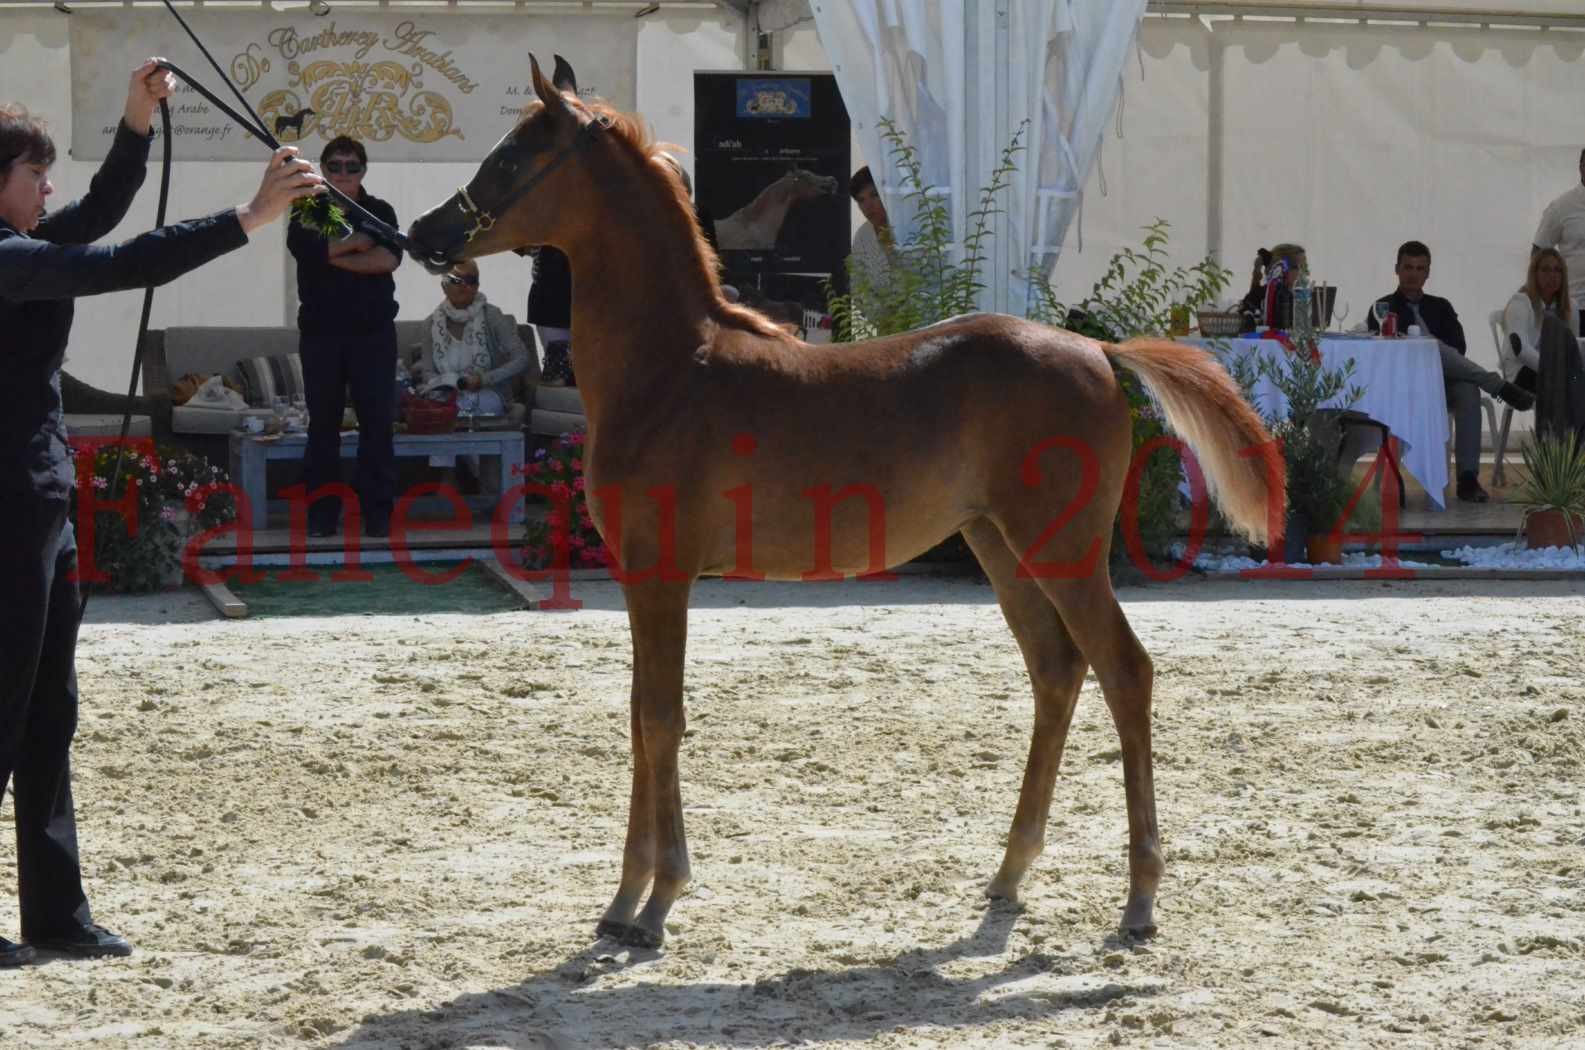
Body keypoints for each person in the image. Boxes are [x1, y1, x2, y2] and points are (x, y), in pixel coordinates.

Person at [0, 61, 321, 966]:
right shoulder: (4, 256)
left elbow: (102, 213)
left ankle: (56, 915)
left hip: (40, 502)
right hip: (5, 507)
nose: (47, 187)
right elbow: (114, 262)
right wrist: (247, 220)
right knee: (4, 705)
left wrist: (138, 120)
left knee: (48, 711)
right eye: (33, 174)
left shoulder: (24, 244)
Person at [287, 135, 402, 538]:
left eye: (351, 166)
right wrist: (358, 243)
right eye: (334, 166)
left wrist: (334, 253)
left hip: (373, 335)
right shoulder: (307, 209)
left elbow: (387, 259)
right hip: (322, 335)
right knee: (323, 427)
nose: (343, 173)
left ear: (363, 170)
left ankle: (378, 514)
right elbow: (310, 252)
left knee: (377, 424)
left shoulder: (381, 210)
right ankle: (321, 515)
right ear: (323, 169)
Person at [1366, 240, 1535, 503]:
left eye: (1420, 268)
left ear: (1427, 273)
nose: (1413, 273)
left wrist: (1433, 349)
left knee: (1467, 389)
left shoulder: (1441, 306)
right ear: (1397, 269)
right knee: (1430, 346)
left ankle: (1468, 479)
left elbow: (1459, 348)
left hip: (1443, 381)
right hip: (1405, 386)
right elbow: (1379, 353)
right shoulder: (1383, 307)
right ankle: (1498, 386)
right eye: (1408, 267)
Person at [417, 260, 532, 418]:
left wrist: (483, 379)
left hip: (488, 393)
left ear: (477, 285)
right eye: (457, 280)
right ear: (443, 285)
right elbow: (428, 372)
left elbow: (521, 358)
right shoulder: (430, 323)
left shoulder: (492, 315)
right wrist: (443, 384)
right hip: (447, 397)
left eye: (471, 281)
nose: (465, 285)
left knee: (476, 404)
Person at [1503, 249, 1585, 438]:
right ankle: (1554, 457)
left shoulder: (1569, 307)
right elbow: (1522, 350)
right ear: (1534, 273)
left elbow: (1574, 349)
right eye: (1546, 270)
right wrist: (1557, 370)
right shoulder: (1520, 302)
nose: (1552, 276)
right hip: (1522, 375)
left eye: (1557, 271)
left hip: (1561, 375)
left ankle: (1574, 455)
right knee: (1566, 388)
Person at [1530, 147, 1585, 333]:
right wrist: (1545, 298)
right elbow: (1538, 253)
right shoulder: (1562, 207)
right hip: (1575, 306)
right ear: (1581, 167)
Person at [1239, 243, 1307, 327]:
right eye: (1296, 267)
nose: (1301, 272)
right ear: (1280, 268)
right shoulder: (1261, 294)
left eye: (1303, 267)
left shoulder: (1302, 295)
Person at [848, 165, 893, 287]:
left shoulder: (908, 225)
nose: (868, 205)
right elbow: (858, 288)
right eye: (861, 200)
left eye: (874, 195)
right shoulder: (862, 236)